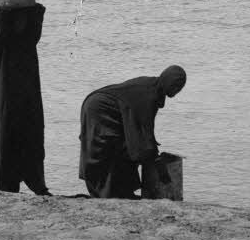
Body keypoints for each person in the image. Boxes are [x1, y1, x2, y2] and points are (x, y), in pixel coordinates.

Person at [79, 66, 186, 199]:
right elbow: (144, 131)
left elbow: (144, 128)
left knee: (127, 147)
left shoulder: (154, 89)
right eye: (176, 86)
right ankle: (106, 193)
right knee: (107, 149)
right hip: (100, 109)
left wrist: (150, 150)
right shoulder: (148, 93)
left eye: (180, 88)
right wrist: (154, 158)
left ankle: (121, 191)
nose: (177, 91)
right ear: (168, 81)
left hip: (106, 110)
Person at [0, 3, 50, 196]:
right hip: (22, 82)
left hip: (13, 83)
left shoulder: (8, 32)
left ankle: (13, 182)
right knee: (22, 128)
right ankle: (29, 181)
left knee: (11, 128)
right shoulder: (24, 27)